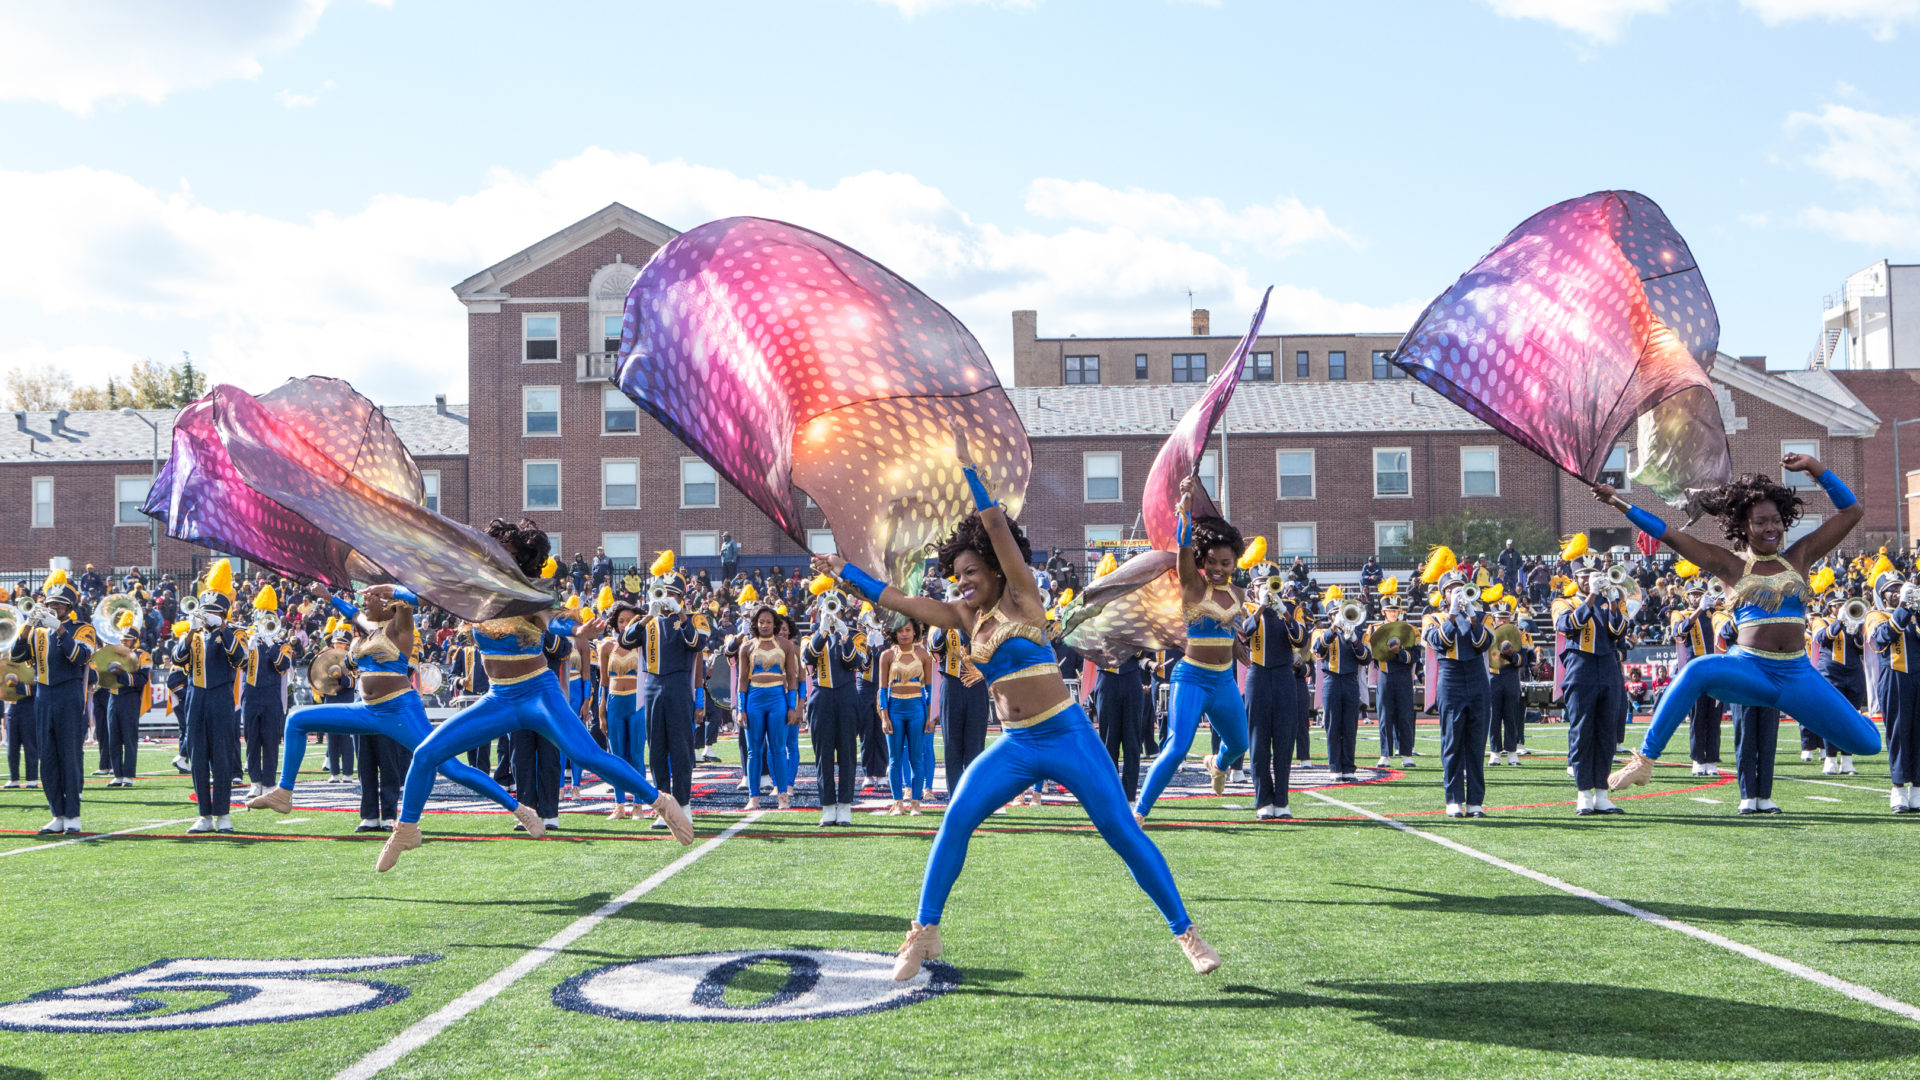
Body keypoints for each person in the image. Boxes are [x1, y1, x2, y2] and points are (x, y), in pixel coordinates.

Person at [814, 441, 1218, 979]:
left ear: (998, 570)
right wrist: (846, 571)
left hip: (1067, 735)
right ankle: (924, 931)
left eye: (972, 569)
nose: (963, 580)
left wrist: (968, 473)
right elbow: (897, 601)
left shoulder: (1022, 596)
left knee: (1122, 831)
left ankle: (1186, 933)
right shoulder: (962, 616)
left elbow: (998, 530)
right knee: (955, 818)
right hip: (1017, 744)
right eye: (956, 572)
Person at [381, 518, 696, 870]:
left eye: (503, 552)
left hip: (538, 693)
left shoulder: (529, 593)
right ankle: (406, 829)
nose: (492, 556)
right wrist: (393, 592)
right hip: (499, 698)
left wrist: (580, 628)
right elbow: (428, 592)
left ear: (520, 558)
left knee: (587, 754)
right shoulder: (474, 590)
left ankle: (660, 801)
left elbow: (557, 621)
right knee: (426, 753)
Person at [1606, 457, 1882, 792]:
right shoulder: (1730, 566)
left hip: (1797, 675)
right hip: (1750, 667)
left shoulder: (1800, 556)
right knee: (1696, 671)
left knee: (1868, 744)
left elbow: (1852, 512)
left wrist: (1818, 469)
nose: (1771, 528)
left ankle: (1850, 719)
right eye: (1761, 522)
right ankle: (1645, 760)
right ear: (1743, 526)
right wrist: (1619, 502)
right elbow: (1669, 534)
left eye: (1777, 521)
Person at [251, 585, 535, 832]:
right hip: (367, 711)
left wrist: (393, 582)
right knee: (297, 719)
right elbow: (352, 612)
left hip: (400, 712)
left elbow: (412, 599)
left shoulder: (402, 624)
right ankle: (284, 792)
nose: (364, 601)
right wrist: (327, 597)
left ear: (388, 603)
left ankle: (519, 808)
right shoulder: (370, 629)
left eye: (371, 596)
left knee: (452, 768)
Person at [1134, 477, 1250, 819]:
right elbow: (1184, 546)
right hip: (1192, 677)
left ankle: (1216, 762)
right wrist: (1184, 509)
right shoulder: (1193, 585)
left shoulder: (1240, 595)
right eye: (1212, 561)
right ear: (1204, 560)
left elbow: (1227, 629)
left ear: (1235, 564)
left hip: (1224, 681)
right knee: (1176, 748)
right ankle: (1139, 812)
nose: (1217, 568)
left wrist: (1234, 647)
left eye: (1225, 564)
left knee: (1240, 745)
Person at [620, 566, 711, 820]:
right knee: (656, 749)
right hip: (653, 687)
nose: (667, 598)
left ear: (683, 597)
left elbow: (697, 644)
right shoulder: (648, 622)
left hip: (679, 685)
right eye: (663, 593)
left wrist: (680, 613)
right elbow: (624, 642)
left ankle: (682, 806)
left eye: (673, 594)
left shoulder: (694, 619)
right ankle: (663, 807)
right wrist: (649, 615)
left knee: (681, 749)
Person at [16, 575, 96, 834]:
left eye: (59, 605)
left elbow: (78, 657)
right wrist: (28, 624)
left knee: (69, 756)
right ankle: (57, 813)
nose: (53, 608)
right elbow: (17, 655)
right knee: (47, 757)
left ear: (69, 608)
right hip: (43, 696)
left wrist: (59, 629)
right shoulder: (38, 631)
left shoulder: (82, 629)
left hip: (69, 696)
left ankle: (73, 814)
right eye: (50, 603)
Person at [1559, 569, 1628, 815]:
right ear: (1576, 579)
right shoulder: (1564, 601)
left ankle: (1601, 793)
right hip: (1580, 666)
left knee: (1607, 731)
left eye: (1594, 575)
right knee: (1582, 730)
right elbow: (1569, 625)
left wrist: (1612, 601)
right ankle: (1583, 793)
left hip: (1608, 665)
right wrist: (1592, 596)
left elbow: (1618, 632)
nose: (1590, 579)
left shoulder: (1611, 599)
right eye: (1584, 575)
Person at [1242, 573, 1305, 819]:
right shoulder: (1246, 608)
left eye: (1270, 585)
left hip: (1283, 676)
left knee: (1284, 739)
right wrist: (1260, 608)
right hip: (1257, 675)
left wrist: (1285, 613)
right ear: (1253, 588)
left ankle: (1282, 801)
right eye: (1261, 585)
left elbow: (1301, 639)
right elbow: (1243, 634)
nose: (1267, 589)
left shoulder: (1290, 607)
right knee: (1258, 742)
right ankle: (1263, 802)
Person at [735, 606, 799, 811]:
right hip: (753, 699)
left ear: (775, 624)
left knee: (779, 749)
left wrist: (792, 706)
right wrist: (740, 708)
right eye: (761, 622)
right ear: (755, 623)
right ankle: (753, 797)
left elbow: (792, 677)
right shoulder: (747, 646)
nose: (765, 625)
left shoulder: (786, 645)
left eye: (769, 622)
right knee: (754, 750)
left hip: (777, 699)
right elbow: (742, 679)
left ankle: (783, 796)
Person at [1871, 572, 1920, 812]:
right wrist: (1904, 607)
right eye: (1890, 589)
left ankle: (1918, 789)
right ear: (1881, 595)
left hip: (1918, 677)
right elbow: (1883, 638)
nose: (1895, 591)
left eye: (1899, 587)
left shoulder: (1914, 615)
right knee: (1898, 732)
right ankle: (1898, 788)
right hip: (1894, 677)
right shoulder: (1875, 615)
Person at [240, 590, 294, 801]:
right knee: (252, 739)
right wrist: (250, 644)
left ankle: (270, 782)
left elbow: (284, 665)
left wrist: (271, 643)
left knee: (271, 740)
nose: (265, 622)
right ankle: (255, 782)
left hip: (271, 696)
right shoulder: (249, 641)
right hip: (251, 694)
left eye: (268, 618)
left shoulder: (282, 644)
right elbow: (240, 663)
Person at [877, 621, 933, 817]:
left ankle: (916, 803)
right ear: (893, 633)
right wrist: (884, 716)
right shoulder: (887, 655)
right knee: (894, 758)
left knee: (916, 757)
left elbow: (930, 689)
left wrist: (930, 717)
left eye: (908, 630)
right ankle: (898, 802)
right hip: (895, 709)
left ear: (915, 631)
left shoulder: (924, 655)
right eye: (900, 630)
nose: (904, 634)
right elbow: (882, 689)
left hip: (917, 709)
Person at [1670, 580, 1726, 777]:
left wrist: (1719, 605)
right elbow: (1678, 632)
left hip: (1717, 669)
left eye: (1700, 594)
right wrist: (1699, 611)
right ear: (1687, 597)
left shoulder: (1716, 613)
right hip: (1694, 670)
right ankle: (1697, 759)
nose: (1697, 597)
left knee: (1714, 716)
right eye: (1693, 594)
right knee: (1697, 716)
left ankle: (1711, 759)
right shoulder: (1680, 613)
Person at [597, 602, 647, 821]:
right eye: (621, 621)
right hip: (614, 704)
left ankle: (638, 804)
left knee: (636, 755)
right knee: (616, 757)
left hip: (637, 703)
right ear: (614, 624)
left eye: (630, 620)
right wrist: (601, 712)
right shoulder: (606, 647)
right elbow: (603, 682)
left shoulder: (643, 645)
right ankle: (619, 805)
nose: (626, 624)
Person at [929, 619, 989, 795]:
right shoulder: (941, 626)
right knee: (952, 746)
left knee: (976, 746)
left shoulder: (984, 623)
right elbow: (934, 647)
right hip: (951, 683)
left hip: (977, 684)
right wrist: (946, 623)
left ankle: (974, 796)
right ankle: (955, 797)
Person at [1314, 602, 1368, 783]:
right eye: (1336, 614)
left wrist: (1354, 640)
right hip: (1331, 680)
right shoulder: (1325, 634)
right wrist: (1333, 628)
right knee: (1332, 725)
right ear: (1330, 616)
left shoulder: (1359, 634)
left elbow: (1366, 658)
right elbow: (1317, 650)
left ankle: (1349, 767)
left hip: (1350, 681)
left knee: (1350, 725)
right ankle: (1335, 767)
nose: (1342, 617)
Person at [1094, 651, 1151, 804]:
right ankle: (1111, 795)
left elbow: (1141, 651)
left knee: (1132, 743)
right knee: (1108, 743)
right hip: (1106, 676)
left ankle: (1129, 797)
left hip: (1131, 677)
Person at [1371, 595, 1417, 770]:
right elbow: (1372, 654)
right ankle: (1385, 754)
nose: (1393, 613)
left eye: (1395, 610)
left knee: (1405, 715)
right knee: (1384, 716)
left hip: (1404, 675)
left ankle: (1406, 754)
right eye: (1389, 610)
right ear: (1383, 611)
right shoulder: (1375, 628)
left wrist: (1401, 654)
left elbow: (1415, 656)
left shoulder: (1408, 629)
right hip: (1385, 675)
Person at [1484, 605, 1532, 768]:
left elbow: (1524, 661)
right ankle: (1495, 753)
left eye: (1506, 617)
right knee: (1494, 718)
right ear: (1494, 619)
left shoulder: (1519, 635)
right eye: (1500, 618)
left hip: (1511, 678)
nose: (1503, 621)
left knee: (1511, 716)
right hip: (1493, 678)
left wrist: (1512, 655)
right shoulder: (1488, 634)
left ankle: (1512, 752)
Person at [102, 627, 150, 788]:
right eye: (122, 639)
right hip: (113, 696)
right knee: (113, 738)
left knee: (129, 738)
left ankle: (128, 775)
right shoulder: (114, 653)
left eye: (127, 639)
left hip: (130, 698)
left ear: (135, 640)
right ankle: (117, 774)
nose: (123, 642)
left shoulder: (143, 655)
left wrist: (120, 674)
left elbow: (141, 679)